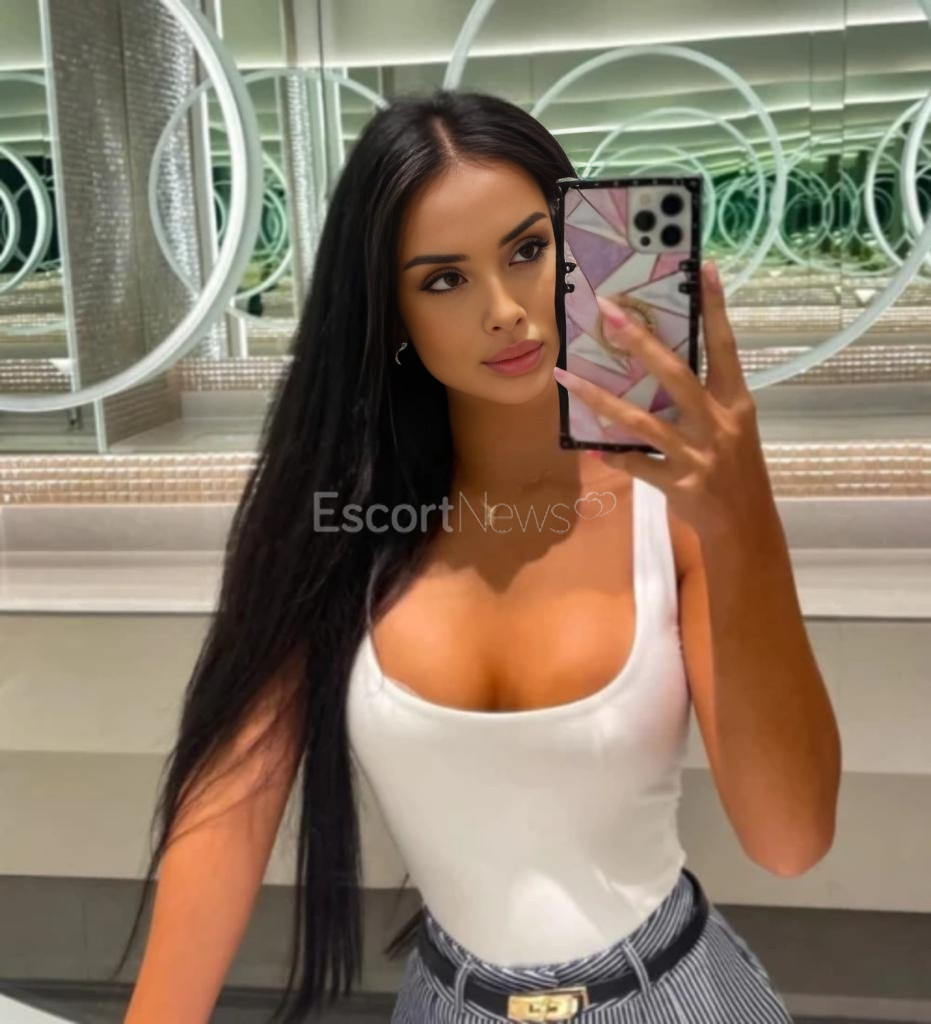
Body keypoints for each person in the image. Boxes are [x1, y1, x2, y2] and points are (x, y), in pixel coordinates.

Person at [118, 88, 838, 1024]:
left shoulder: (669, 514)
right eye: (443, 280)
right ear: (391, 314)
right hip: (447, 1001)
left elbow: (788, 840)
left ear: (577, 250)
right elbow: (231, 802)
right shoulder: (343, 531)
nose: (503, 309)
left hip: (674, 994)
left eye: (528, 252)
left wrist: (745, 523)